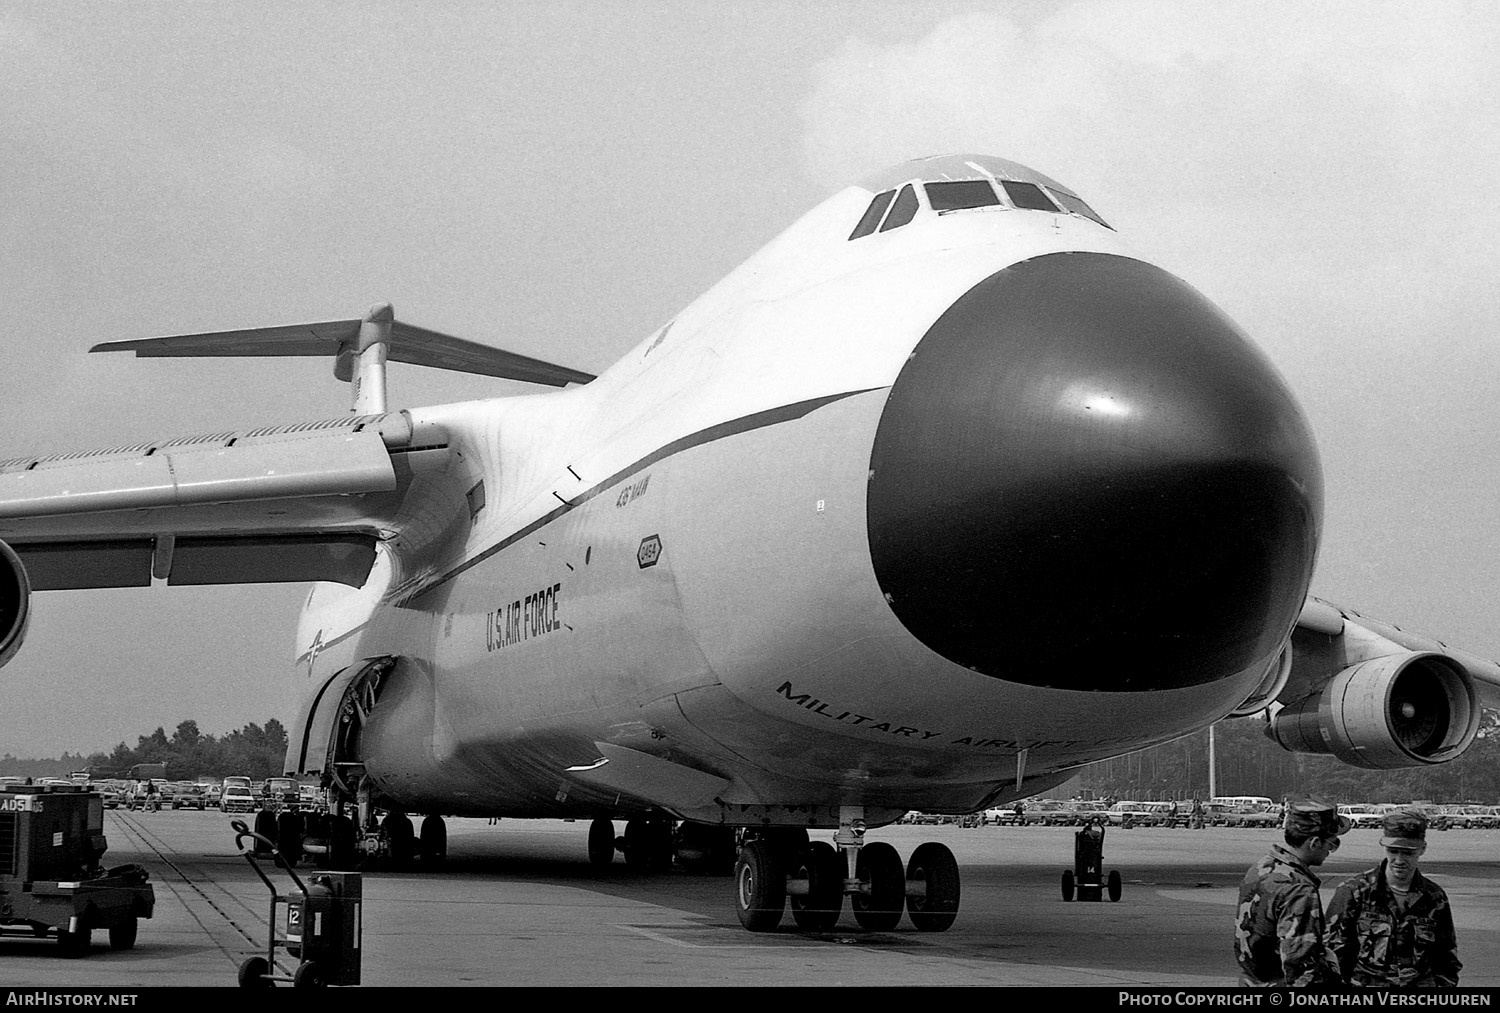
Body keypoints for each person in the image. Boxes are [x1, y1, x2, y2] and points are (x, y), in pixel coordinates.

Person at [1324, 809, 1461, 988]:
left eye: (1408, 853)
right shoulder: (1354, 892)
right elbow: (1331, 956)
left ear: (1422, 849)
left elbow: (1446, 958)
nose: (1399, 860)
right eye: (1393, 851)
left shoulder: (1434, 898)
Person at [1234, 796, 1350, 987]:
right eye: (1332, 843)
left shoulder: (1261, 868)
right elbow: (1300, 964)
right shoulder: (1299, 890)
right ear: (1314, 843)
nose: (1330, 850)